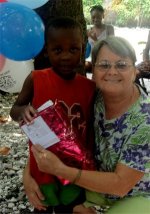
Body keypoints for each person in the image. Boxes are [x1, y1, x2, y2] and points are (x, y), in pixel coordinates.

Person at [31, 36, 150, 214]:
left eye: (122, 65)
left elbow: (121, 185)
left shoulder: (145, 121)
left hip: (137, 192)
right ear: (93, 70)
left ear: (134, 71)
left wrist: (60, 170)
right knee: (52, 197)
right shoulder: (93, 95)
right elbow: (54, 131)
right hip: (96, 178)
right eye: (104, 65)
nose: (112, 72)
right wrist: (29, 172)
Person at [10, 17, 96, 213]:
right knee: (43, 204)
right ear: (47, 51)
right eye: (58, 50)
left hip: (75, 166)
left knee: (71, 206)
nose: (65, 56)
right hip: (42, 166)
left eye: (73, 49)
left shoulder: (89, 88)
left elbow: (91, 127)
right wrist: (23, 111)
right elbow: (14, 110)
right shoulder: (36, 79)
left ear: (83, 50)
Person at [85, 5, 114, 74]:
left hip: (107, 62)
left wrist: (96, 40)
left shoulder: (109, 29)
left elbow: (112, 46)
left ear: (103, 16)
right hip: (94, 62)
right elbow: (87, 50)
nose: (95, 19)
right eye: (93, 17)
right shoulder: (89, 30)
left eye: (98, 17)